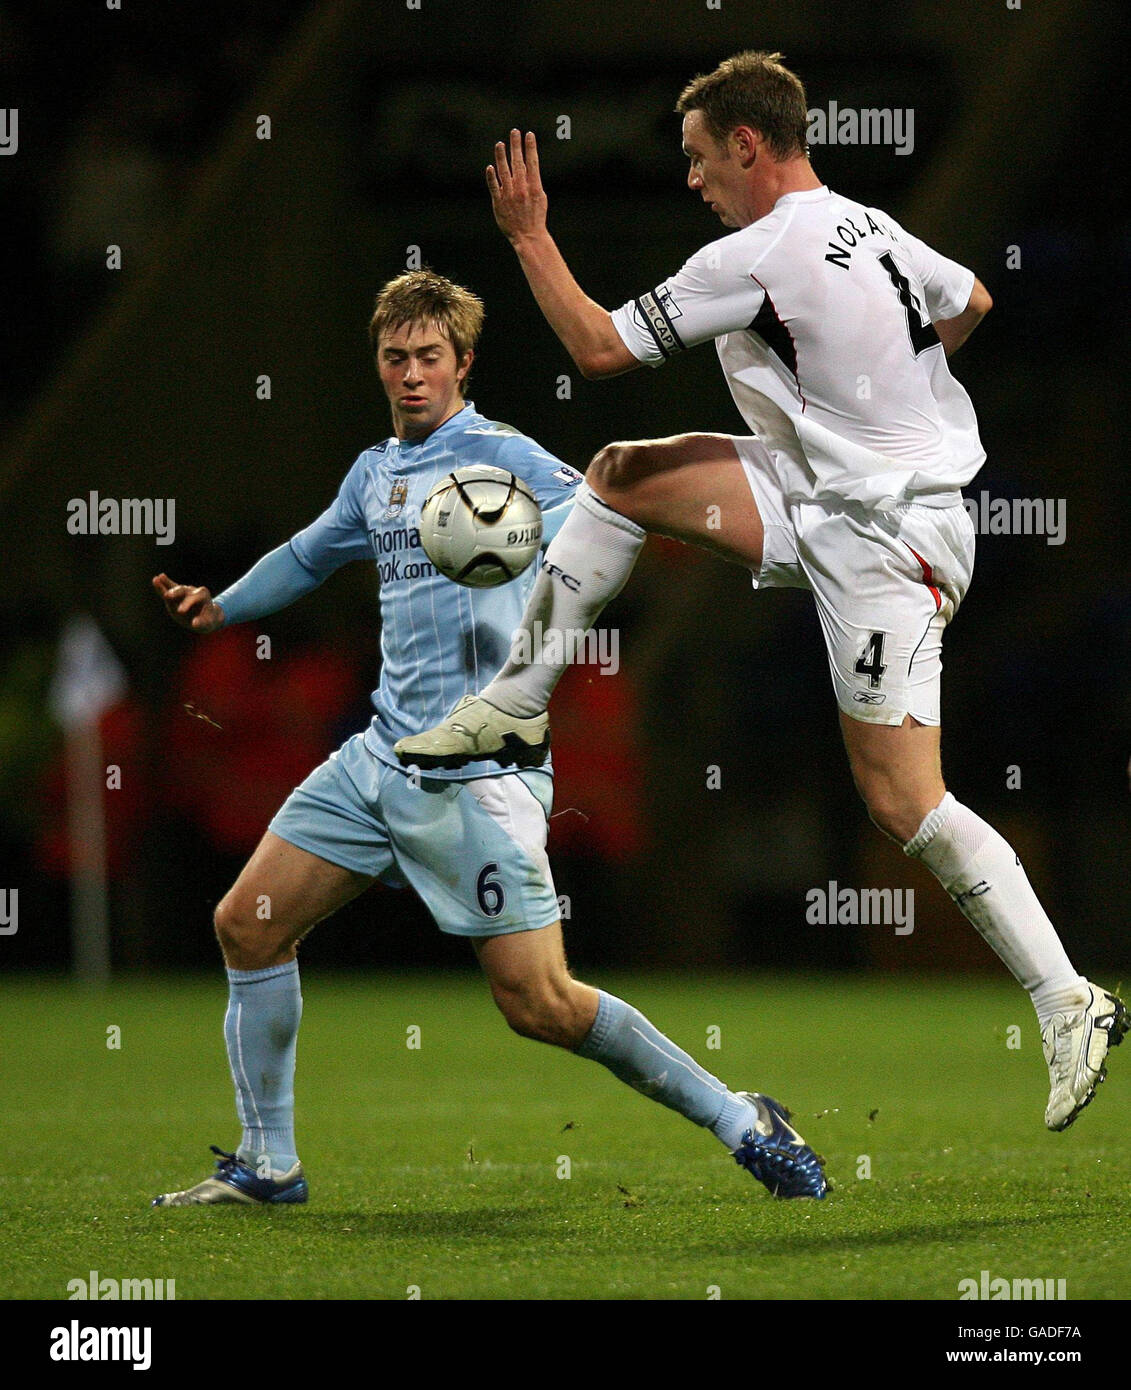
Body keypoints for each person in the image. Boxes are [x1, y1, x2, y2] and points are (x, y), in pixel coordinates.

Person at [395, 53, 1126, 1133]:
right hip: (829, 494)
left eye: (696, 158)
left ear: (747, 145)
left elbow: (599, 346)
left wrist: (528, 236)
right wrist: (888, 406)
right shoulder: (867, 222)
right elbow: (968, 299)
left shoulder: (758, 251)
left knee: (902, 802)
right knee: (622, 476)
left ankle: (1069, 999)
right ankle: (515, 699)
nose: (691, 180)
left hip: (887, 538)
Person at [149, 268, 829, 1207]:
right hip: (381, 757)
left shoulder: (511, 461)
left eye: (429, 357)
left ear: (463, 363)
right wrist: (222, 604)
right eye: (395, 358)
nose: (411, 374)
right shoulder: (375, 473)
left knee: (540, 1005)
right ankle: (269, 1166)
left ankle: (741, 1119)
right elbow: (310, 553)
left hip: (477, 775)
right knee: (246, 926)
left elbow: (617, 513)